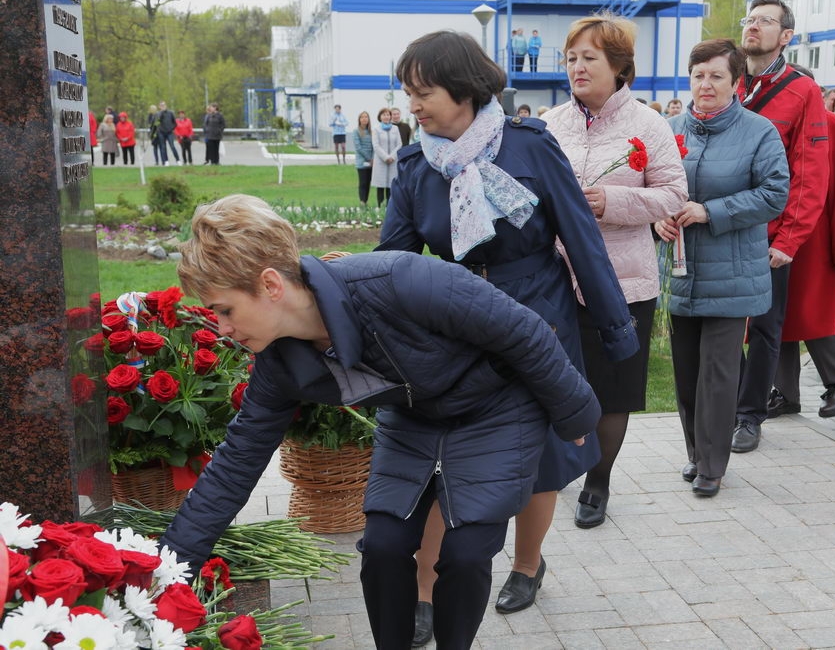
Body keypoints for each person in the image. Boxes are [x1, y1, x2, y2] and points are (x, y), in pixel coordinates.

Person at [158, 195, 601, 650]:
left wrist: (574, 416)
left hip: (497, 409)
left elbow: (524, 331)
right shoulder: (280, 363)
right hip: (416, 417)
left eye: (225, 309)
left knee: (466, 553)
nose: (220, 327)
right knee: (383, 549)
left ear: (270, 284)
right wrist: (168, 567)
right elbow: (236, 464)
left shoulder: (399, 279)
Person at [377, 29, 638, 636]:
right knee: (446, 458)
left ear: (464, 88)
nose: (411, 105)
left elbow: (581, 240)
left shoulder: (528, 149)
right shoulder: (419, 165)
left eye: (423, 91)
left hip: (537, 315)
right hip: (458, 321)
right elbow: (390, 261)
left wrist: (616, 332)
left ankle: (526, 563)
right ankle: (425, 587)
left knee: (539, 454)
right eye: (407, 92)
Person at [543, 12, 687, 527]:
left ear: (618, 66)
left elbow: (673, 194)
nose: (577, 68)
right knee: (556, 380)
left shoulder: (648, 125)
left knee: (613, 389)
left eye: (590, 58)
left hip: (624, 279)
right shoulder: (551, 123)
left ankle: (598, 483)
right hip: (555, 278)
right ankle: (558, 466)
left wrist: (612, 200)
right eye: (571, 58)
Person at [653, 38, 789, 497]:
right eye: (698, 75)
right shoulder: (667, 128)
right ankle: (696, 453)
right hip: (681, 273)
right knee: (686, 372)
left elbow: (774, 194)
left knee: (718, 373)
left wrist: (711, 212)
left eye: (716, 76)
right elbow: (649, 188)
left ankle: (714, 463)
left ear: (736, 83)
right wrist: (657, 216)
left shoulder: (758, 132)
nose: (705, 85)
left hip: (733, 274)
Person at [731, 0, 830, 453]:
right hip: (718, 228)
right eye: (749, 19)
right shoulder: (725, 80)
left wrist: (789, 239)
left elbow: (810, 172)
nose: (753, 26)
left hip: (770, 237)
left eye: (765, 21)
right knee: (722, 327)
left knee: (767, 328)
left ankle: (750, 416)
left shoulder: (802, 90)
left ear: (786, 35)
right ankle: (724, 407)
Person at [768, 64, 835, 422]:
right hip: (772, 233)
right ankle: (784, 392)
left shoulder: (833, 126)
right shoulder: (768, 123)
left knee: (815, 313)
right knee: (774, 317)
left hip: (820, 239)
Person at [372, 107, 401, 207]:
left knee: (390, 185)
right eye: (384, 115)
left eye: (388, 115)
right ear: (380, 117)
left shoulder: (395, 128)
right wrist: (385, 157)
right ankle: (380, 206)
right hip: (381, 161)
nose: (386, 117)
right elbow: (376, 145)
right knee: (380, 186)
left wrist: (392, 157)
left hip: (392, 161)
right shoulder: (376, 129)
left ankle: (389, 208)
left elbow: (399, 144)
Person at [352, 111, 374, 206]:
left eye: (366, 117)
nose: (364, 119)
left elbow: (374, 146)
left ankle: (366, 201)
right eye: (362, 117)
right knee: (363, 182)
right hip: (361, 161)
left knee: (368, 182)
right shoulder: (356, 131)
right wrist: (368, 158)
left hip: (371, 162)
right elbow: (358, 147)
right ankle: (362, 202)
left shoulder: (371, 132)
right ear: (359, 120)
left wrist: (372, 158)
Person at [157, 101, 180, 165]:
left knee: (172, 146)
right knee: (163, 147)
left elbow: (175, 123)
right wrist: (162, 112)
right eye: (161, 105)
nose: (163, 106)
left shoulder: (170, 113)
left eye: (164, 105)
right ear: (159, 107)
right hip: (161, 132)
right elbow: (157, 121)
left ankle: (178, 160)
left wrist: (171, 128)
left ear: (166, 106)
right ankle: (166, 161)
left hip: (169, 132)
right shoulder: (158, 113)